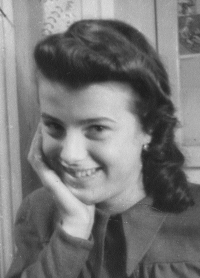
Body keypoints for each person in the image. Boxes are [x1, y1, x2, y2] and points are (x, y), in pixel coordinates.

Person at [6, 19, 200, 278]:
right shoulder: (37, 213)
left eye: (96, 129)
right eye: (54, 125)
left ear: (150, 127)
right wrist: (72, 231)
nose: (69, 154)